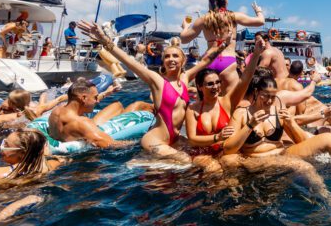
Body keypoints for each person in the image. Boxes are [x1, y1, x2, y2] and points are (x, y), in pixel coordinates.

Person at [78, 20, 226, 159]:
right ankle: (143, 162)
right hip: (155, 140)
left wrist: (222, 45)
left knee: (206, 155)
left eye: (175, 56)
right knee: (188, 162)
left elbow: (206, 60)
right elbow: (129, 62)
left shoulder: (186, 78)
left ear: (183, 60)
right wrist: (104, 39)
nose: (171, 59)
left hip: (174, 140)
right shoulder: (157, 81)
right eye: (167, 56)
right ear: (163, 61)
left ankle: (149, 165)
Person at [221, 76, 331, 176]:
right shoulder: (242, 113)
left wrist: (290, 123)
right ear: (255, 93)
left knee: (327, 139)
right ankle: (325, 199)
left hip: (282, 153)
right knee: (307, 168)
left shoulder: (277, 109)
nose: (269, 100)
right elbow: (229, 149)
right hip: (256, 160)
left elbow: (299, 141)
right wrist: (250, 126)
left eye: (273, 95)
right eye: (265, 95)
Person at [185, 34, 265, 156]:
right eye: (210, 84)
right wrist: (217, 137)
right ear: (200, 87)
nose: (216, 87)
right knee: (212, 167)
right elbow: (192, 139)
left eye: (218, 82)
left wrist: (256, 54)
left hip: (225, 152)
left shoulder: (227, 102)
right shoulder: (192, 109)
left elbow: (245, 80)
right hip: (202, 154)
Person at [179, 0, 265, 93]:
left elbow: (183, 39)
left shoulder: (203, 19)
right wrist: (258, 11)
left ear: (210, 2)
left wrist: (185, 27)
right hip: (227, 61)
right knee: (231, 102)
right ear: (226, 1)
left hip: (208, 61)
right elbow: (260, 21)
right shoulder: (233, 16)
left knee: (206, 103)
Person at [48, 78, 147, 148]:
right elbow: (111, 144)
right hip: (87, 162)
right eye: (95, 97)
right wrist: (140, 141)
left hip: (76, 134)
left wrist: (106, 93)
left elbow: (81, 103)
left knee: (117, 105)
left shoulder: (57, 111)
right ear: (83, 98)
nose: (97, 101)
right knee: (139, 105)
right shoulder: (82, 123)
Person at [0, 128, 65, 183]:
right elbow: (63, 160)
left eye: (6, 145)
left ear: (22, 153)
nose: (1, 147)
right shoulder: (52, 164)